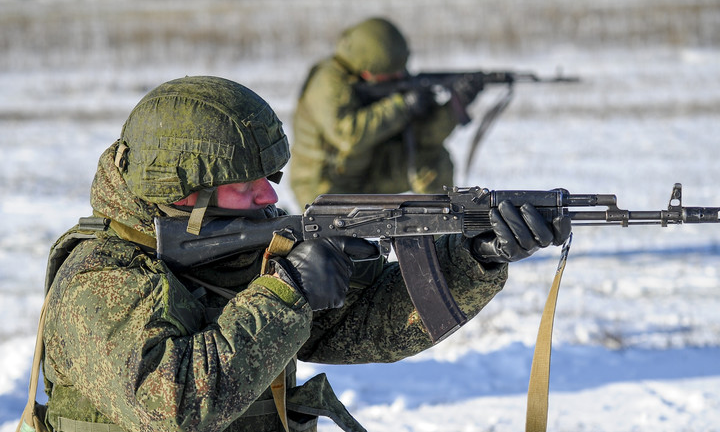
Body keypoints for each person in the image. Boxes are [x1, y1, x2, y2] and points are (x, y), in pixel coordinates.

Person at [35, 76, 570, 432]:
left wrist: (474, 256)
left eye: (269, 176)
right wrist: (287, 293)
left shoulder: (240, 243)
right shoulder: (99, 278)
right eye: (245, 184)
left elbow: (366, 325)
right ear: (181, 193)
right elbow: (175, 405)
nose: (268, 195)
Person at [289, 17, 483, 208]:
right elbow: (348, 136)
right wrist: (401, 106)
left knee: (433, 160)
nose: (398, 77)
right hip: (326, 185)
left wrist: (454, 107)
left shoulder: (391, 81)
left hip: (369, 172)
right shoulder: (327, 82)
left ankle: (442, 224)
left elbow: (425, 137)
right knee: (344, 231)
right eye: (390, 74)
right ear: (367, 70)